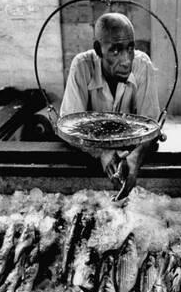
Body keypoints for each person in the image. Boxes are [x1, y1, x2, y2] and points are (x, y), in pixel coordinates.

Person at [60, 12, 160, 199]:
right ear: (98, 49)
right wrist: (102, 153)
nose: (126, 60)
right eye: (115, 50)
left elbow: (152, 125)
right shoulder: (81, 65)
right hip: (88, 159)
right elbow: (69, 127)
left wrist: (136, 158)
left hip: (130, 150)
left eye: (130, 48)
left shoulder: (142, 64)